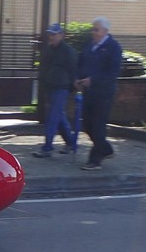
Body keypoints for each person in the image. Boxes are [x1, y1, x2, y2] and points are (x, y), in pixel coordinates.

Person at [75, 16, 122, 170]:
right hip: (89, 92)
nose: (93, 32)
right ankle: (106, 149)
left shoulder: (113, 47)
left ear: (105, 31)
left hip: (104, 93)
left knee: (98, 125)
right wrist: (78, 79)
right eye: (93, 29)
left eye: (96, 30)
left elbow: (113, 72)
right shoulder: (90, 46)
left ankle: (95, 160)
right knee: (87, 125)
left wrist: (93, 80)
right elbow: (81, 63)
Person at [33, 23, 78, 158]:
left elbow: (74, 70)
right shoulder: (49, 50)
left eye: (54, 34)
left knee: (52, 117)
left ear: (61, 35)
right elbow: (44, 68)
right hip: (51, 86)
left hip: (61, 87)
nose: (51, 37)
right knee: (59, 116)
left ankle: (47, 148)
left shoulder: (68, 51)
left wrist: (72, 86)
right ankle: (70, 143)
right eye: (50, 34)